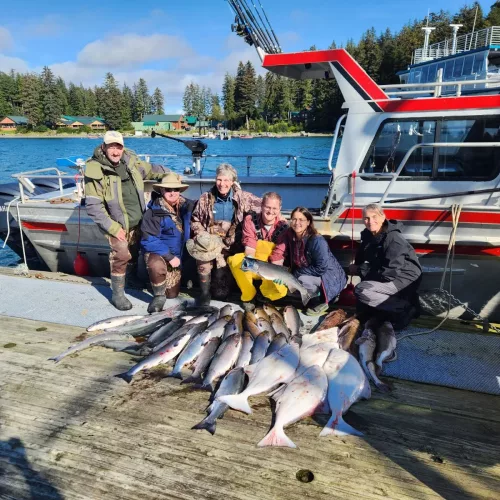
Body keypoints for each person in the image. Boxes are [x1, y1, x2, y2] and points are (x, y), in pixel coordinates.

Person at [84, 130, 169, 310]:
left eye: (119, 147)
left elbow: (152, 169)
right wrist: (114, 228)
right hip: (116, 224)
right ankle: (117, 294)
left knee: (137, 250)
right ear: (104, 147)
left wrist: (169, 175)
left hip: (138, 220)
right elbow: (93, 207)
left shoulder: (131, 163)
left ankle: (132, 280)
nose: (115, 151)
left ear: (123, 148)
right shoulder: (95, 170)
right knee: (121, 253)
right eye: (111, 147)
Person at [190, 163, 261, 304]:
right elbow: (195, 220)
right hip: (211, 245)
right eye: (219, 180)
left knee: (221, 294)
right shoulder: (205, 198)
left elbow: (265, 207)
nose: (222, 184)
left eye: (226, 180)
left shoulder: (244, 197)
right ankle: (204, 294)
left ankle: (233, 284)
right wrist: (203, 235)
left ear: (233, 181)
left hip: (233, 246)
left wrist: (279, 219)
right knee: (202, 261)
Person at [349, 203, 422, 330]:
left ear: (383, 217)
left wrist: (360, 270)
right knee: (362, 307)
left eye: (374, 217)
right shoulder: (368, 234)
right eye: (366, 218)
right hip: (387, 273)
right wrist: (356, 264)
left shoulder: (394, 238)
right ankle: (384, 308)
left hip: (403, 278)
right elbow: (362, 253)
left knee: (362, 290)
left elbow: (389, 273)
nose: (370, 221)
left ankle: (405, 307)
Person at [269, 207, 347, 315]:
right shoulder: (289, 235)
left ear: (308, 222)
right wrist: (277, 271)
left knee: (301, 279)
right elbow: (279, 251)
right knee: (295, 280)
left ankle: (323, 300)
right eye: (294, 219)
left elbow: (321, 267)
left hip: (329, 276)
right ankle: (311, 294)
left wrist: (297, 273)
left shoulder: (316, 240)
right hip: (309, 272)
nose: (297, 223)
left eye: (301, 220)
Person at [140, 173, 194, 313]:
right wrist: (169, 257)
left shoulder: (186, 206)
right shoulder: (152, 213)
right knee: (154, 263)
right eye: (168, 190)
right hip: (163, 256)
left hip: (179, 258)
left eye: (175, 189)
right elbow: (148, 240)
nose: (172, 193)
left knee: (172, 295)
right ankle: (158, 295)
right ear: (161, 191)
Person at [227, 192, 289, 310]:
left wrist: (274, 275)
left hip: (272, 265)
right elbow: (250, 247)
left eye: (274, 208)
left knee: (281, 289)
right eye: (268, 207)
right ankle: (249, 294)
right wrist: (251, 265)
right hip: (255, 264)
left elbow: (278, 256)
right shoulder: (250, 220)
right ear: (261, 205)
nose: (271, 211)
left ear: (280, 209)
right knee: (235, 261)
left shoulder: (284, 227)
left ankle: (265, 295)